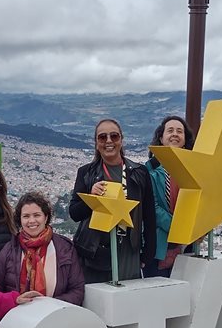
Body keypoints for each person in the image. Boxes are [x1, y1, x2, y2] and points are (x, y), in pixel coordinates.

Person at [68, 118, 155, 284]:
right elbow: (74, 213)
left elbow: (149, 216)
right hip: (97, 253)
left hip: (129, 251)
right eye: (102, 137)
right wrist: (91, 198)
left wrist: (147, 254)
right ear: (96, 143)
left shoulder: (139, 172)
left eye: (114, 136)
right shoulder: (86, 173)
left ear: (121, 140)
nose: (109, 141)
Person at [0, 192, 85, 305]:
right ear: (20, 220)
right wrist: (13, 301)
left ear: (46, 217)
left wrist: (49, 305)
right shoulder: (10, 250)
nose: (31, 221)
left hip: (55, 316)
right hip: (18, 318)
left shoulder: (64, 248)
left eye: (36, 215)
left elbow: (77, 290)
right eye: (26, 216)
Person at [143, 115, 194, 277]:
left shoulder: (193, 169)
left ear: (185, 139)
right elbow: (152, 206)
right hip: (158, 245)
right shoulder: (149, 169)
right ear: (161, 138)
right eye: (170, 131)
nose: (175, 134)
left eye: (180, 131)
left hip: (186, 246)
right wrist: (178, 229)